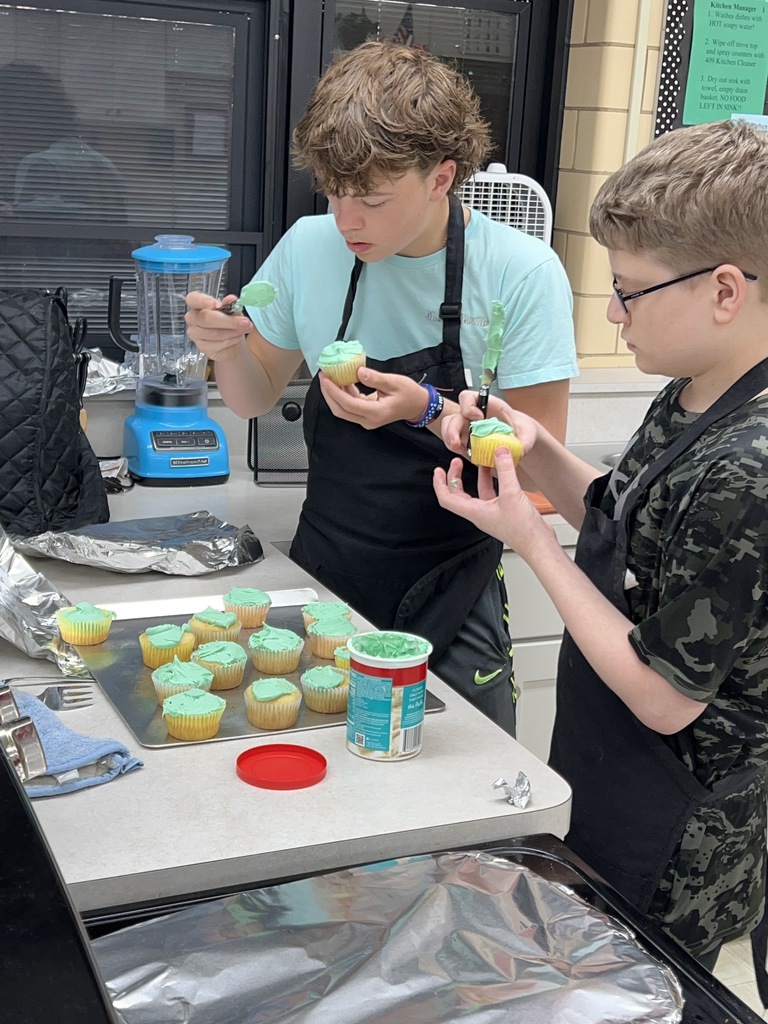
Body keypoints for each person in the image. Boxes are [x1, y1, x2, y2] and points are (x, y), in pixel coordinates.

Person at [432, 118, 768, 980]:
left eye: (629, 291)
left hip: (679, 827)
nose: (613, 314)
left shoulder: (750, 467)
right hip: (609, 773)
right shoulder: (695, 388)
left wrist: (531, 541)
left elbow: (665, 696)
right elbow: (626, 520)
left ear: (724, 291)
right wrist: (534, 448)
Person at [186, 41, 577, 736]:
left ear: (441, 177)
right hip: (324, 576)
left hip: (454, 589)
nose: (347, 221)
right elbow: (251, 397)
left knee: (461, 785)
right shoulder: (308, 248)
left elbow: (539, 471)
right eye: (333, 193)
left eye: (371, 198)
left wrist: (427, 410)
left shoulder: (520, 272)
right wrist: (225, 349)